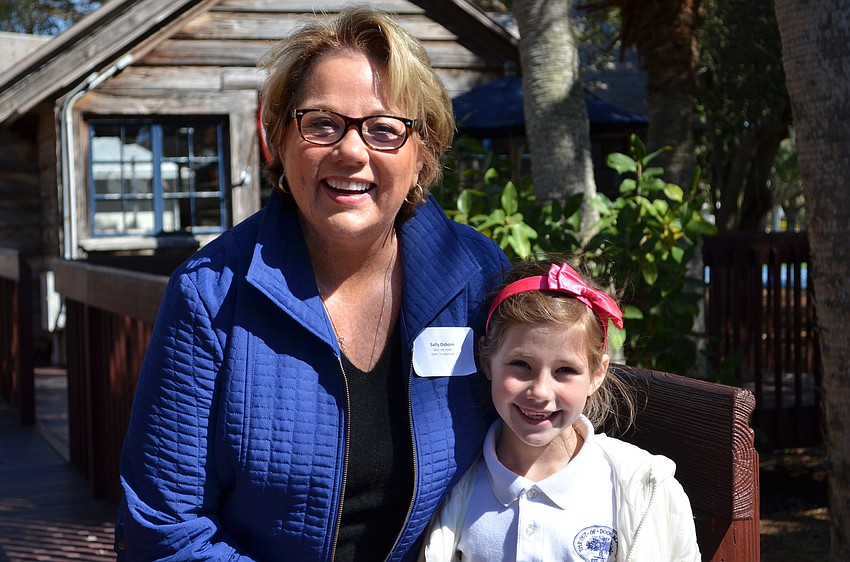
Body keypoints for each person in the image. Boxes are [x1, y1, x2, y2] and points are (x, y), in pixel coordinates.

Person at [114, 8, 509, 561]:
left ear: (423, 153)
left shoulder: (477, 274)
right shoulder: (211, 295)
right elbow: (161, 527)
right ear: (280, 138)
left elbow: (537, 437)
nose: (351, 151)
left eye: (384, 129)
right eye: (321, 122)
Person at [420, 261, 701, 561]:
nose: (540, 391)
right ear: (487, 360)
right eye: (521, 365)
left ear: (597, 374)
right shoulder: (452, 490)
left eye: (565, 370)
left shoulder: (645, 488)